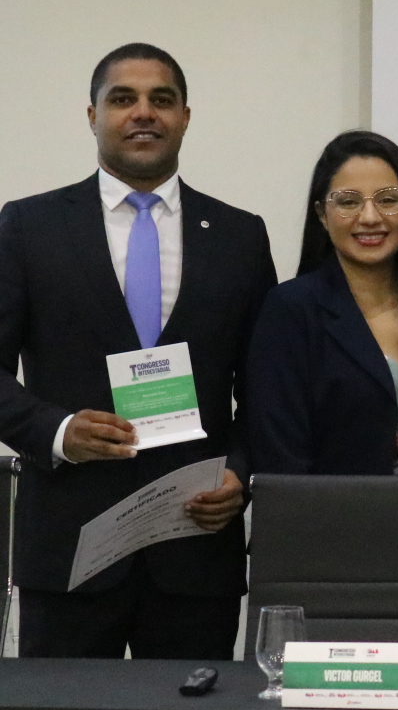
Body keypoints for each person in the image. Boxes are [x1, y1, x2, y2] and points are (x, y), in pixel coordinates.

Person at [0, 44, 275, 658]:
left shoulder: (239, 235)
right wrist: (57, 431)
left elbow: (266, 387)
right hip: (70, 549)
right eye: (123, 99)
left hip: (195, 547)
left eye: (162, 99)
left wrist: (241, 471)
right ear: (92, 116)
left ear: (185, 116)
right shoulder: (29, 226)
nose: (143, 112)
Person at [247, 131, 398, 476]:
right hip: (340, 509)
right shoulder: (292, 310)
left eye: (388, 199)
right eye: (349, 202)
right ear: (322, 214)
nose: (370, 217)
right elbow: (280, 457)